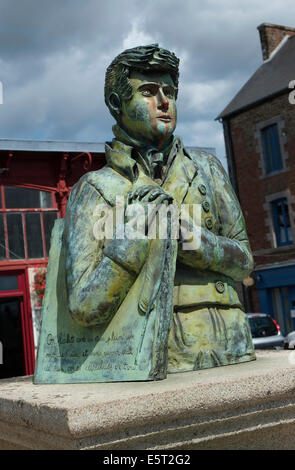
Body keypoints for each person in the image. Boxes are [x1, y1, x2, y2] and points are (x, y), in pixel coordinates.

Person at [64, 44, 255, 374]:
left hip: (230, 347)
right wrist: (133, 241)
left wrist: (193, 240)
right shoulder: (94, 189)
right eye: (149, 92)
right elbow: (83, 307)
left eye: (170, 92)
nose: (164, 102)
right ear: (116, 104)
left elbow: (244, 262)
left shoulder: (207, 169)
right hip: (144, 358)